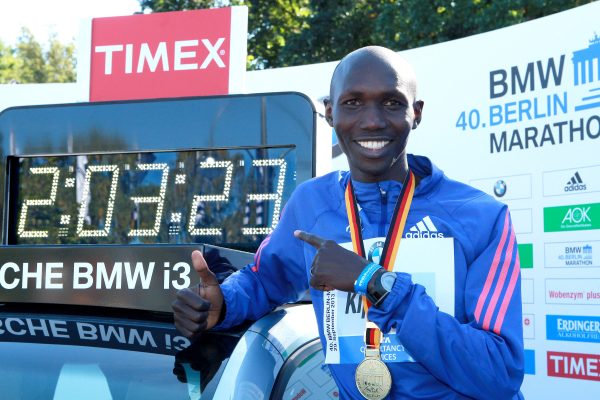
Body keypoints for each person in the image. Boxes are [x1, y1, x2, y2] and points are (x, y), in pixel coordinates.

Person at [172, 46, 525, 399]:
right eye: (353, 102)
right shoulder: (311, 204)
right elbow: (265, 280)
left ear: (416, 113)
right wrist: (225, 303)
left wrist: (375, 283)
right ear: (329, 112)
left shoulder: (481, 217)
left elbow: (499, 372)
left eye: (392, 103)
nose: (372, 121)